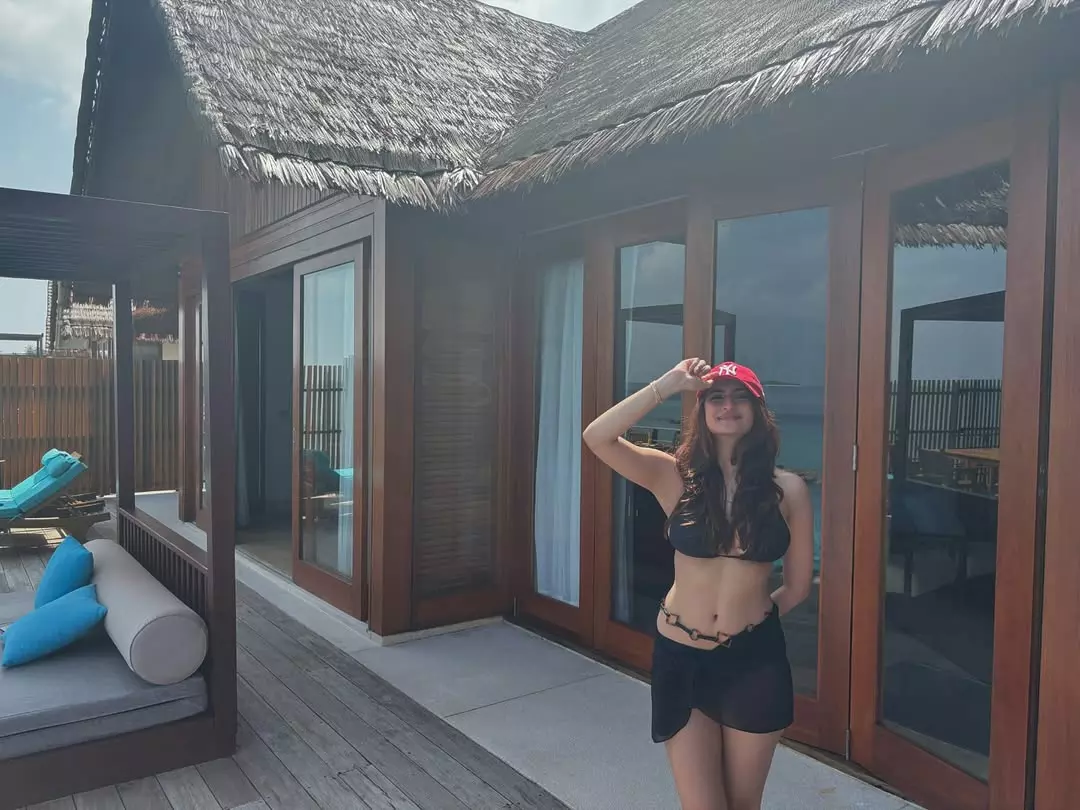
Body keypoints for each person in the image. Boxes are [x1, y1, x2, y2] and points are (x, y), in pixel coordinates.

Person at [583, 358, 814, 810]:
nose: (728, 406)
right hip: (680, 656)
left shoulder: (788, 491)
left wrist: (749, 624)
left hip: (754, 662)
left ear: (758, 411)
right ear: (702, 409)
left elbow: (798, 586)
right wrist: (668, 384)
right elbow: (598, 437)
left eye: (740, 397)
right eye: (716, 397)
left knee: (743, 803)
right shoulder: (673, 478)